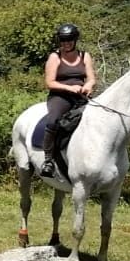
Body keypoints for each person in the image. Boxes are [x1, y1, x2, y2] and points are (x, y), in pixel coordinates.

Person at [38, 23, 96, 177]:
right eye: (63, 40)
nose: (66, 43)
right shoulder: (55, 57)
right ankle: (48, 160)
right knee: (53, 120)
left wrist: (88, 86)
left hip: (81, 97)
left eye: (69, 40)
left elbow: (91, 79)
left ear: (75, 40)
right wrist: (70, 88)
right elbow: (49, 82)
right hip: (60, 96)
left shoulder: (85, 56)